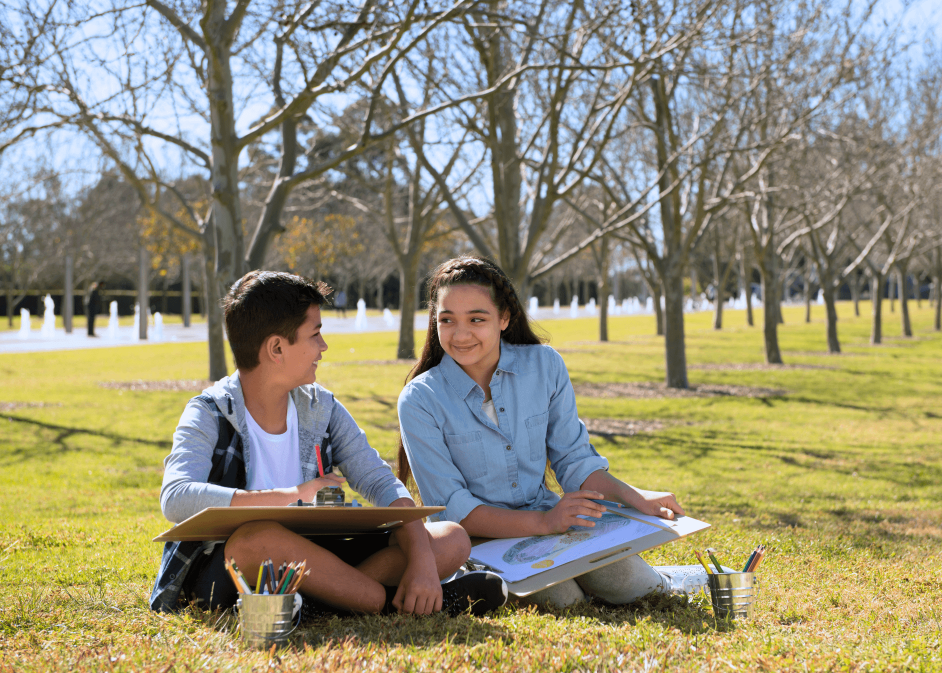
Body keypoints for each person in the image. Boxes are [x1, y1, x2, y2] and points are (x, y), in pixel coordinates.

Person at [151, 270, 506, 617]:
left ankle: (325, 603)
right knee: (257, 539)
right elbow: (176, 498)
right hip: (236, 571)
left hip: (316, 558)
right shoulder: (209, 412)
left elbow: (378, 479)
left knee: (451, 538)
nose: (323, 346)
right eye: (314, 334)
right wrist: (294, 495)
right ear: (277, 348)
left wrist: (424, 562)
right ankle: (387, 602)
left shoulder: (320, 407)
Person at [396, 257, 694, 609]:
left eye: (477, 319)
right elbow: (454, 510)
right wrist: (544, 522)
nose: (460, 335)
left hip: (550, 521)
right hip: (478, 541)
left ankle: (675, 581)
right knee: (564, 600)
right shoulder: (419, 399)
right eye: (447, 320)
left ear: (504, 318)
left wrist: (637, 498)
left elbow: (574, 460)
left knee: (625, 582)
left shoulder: (545, 365)